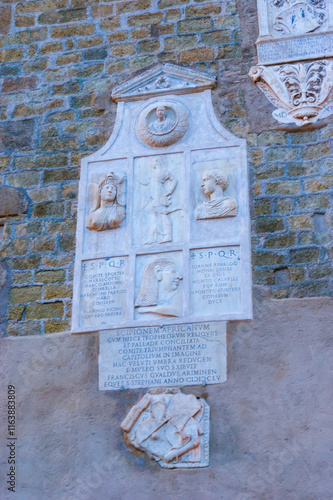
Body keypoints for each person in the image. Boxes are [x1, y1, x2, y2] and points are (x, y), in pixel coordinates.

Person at [143, 157, 178, 244]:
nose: (152, 164)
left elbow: (174, 180)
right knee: (154, 216)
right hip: (153, 195)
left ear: (157, 162)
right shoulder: (154, 173)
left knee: (162, 214)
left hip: (159, 193)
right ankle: (152, 237)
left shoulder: (165, 171)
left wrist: (169, 192)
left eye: (153, 162)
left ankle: (168, 235)